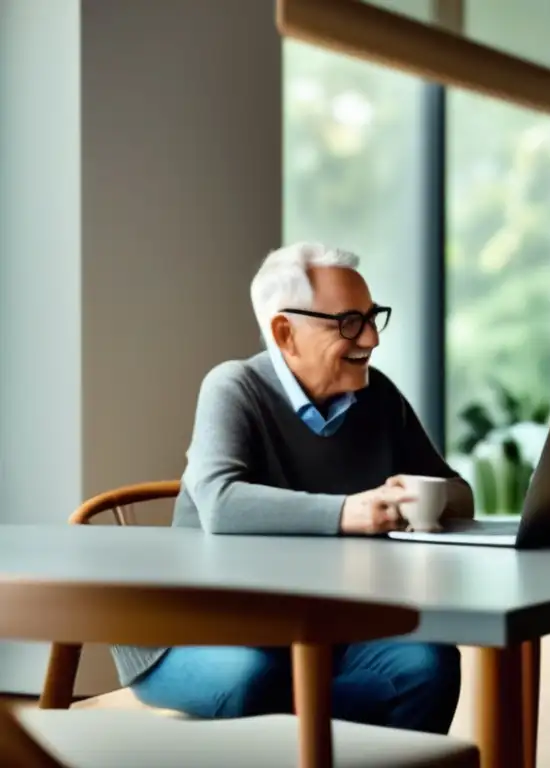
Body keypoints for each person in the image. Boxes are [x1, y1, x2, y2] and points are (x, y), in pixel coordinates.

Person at [111, 243, 473, 734]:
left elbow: (459, 493)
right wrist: (349, 512)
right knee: (258, 677)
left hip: (316, 628)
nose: (371, 337)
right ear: (285, 332)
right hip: (193, 630)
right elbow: (220, 503)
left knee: (429, 667)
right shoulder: (233, 387)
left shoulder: (379, 396)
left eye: (372, 318)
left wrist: (424, 494)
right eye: (349, 322)